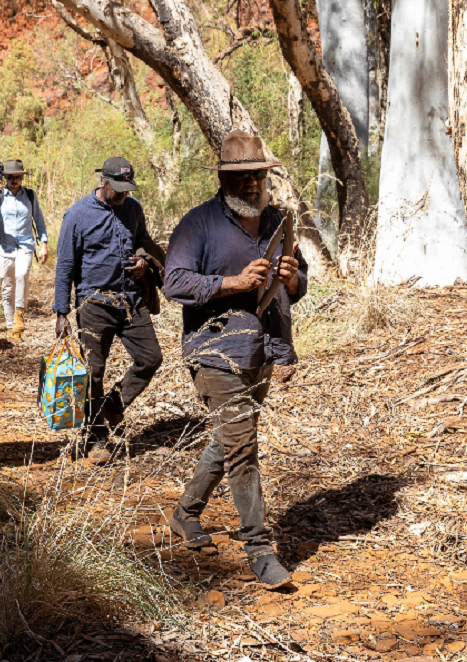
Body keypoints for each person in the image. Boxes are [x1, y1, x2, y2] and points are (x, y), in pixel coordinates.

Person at [163, 131, 308, 588]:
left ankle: (185, 513)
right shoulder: (197, 224)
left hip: (260, 348)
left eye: (258, 176)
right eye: (241, 177)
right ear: (225, 180)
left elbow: (299, 286)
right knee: (243, 446)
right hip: (213, 350)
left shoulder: (278, 223)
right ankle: (259, 548)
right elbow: (174, 283)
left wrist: (290, 278)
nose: (251, 185)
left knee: (230, 439)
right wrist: (232, 283)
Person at [53, 157, 164, 463]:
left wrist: (143, 262)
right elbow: (65, 265)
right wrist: (62, 311)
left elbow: (142, 241)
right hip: (94, 303)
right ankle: (97, 438)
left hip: (130, 299)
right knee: (94, 372)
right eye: (118, 189)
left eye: (128, 189)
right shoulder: (77, 214)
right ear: (103, 181)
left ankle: (113, 404)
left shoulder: (133, 208)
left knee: (151, 358)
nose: (123, 195)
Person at [0, 159, 48, 340]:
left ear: (22, 178)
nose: (14, 181)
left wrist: (44, 244)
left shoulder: (30, 196)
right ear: (5, 177)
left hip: (25, 244)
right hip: (3, 247)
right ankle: (11, 326)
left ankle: (19, 315)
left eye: (18, 177)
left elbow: (39, 221)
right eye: (10, 177)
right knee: (6, 284)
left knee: (22, 274)